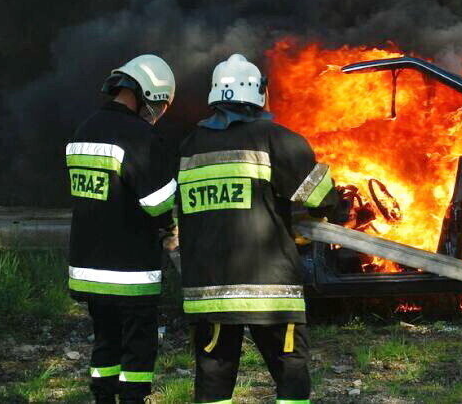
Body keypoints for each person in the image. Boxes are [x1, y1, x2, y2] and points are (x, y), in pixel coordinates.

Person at [175, 54, 346, 404]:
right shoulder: (275, 139)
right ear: (259, 93)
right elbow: (320, 197)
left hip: (208, 290)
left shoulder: (189, 146)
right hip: (270, 290)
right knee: (290, 370)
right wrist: (334, 207)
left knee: (213, 373)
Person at [66, 54, 178, 404]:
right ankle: (132, 399)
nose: (156, 112)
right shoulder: (138, 135)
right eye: (157, 103)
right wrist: (171, 228)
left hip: (87, 266)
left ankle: (103, 398)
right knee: (138, 346)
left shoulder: (84, 129)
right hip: (129, 270)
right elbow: (158, 202)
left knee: (105, 339)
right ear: (144, 92)